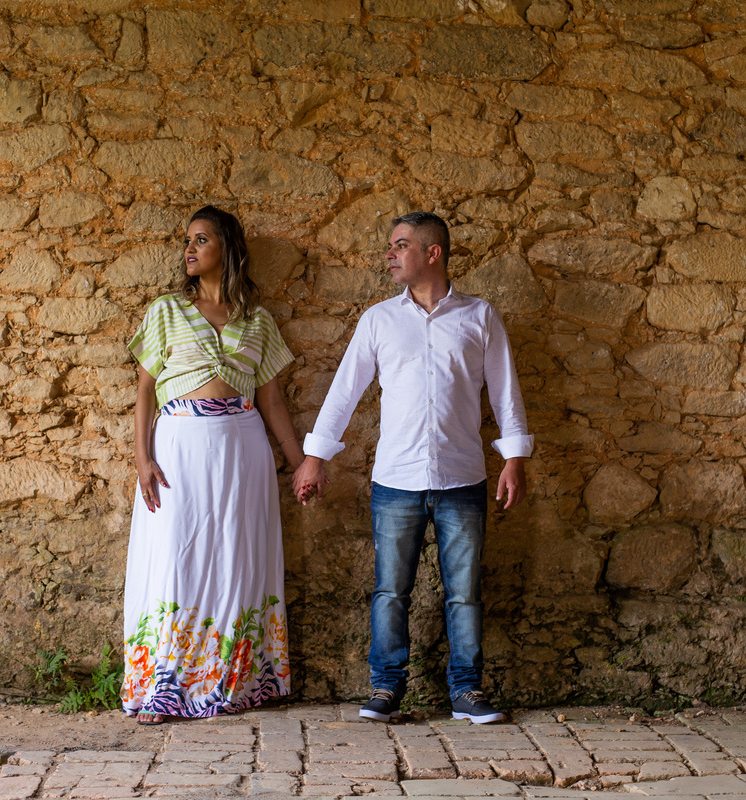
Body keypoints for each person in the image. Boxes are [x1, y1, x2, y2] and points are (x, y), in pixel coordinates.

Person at [293, 211, 533, 725]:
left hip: (463, 477)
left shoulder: (480, 317)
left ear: (433, 253)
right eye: (390, 245)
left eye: (401, 245)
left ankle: (466, 692)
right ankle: (385, 688)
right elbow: (344, 392)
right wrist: (315, 457)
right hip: (395, 480)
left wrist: (513, 459)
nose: (390, 254)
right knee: (390, 591)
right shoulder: (378, 320)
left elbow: (505, 392)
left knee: (464, 593)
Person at [120, 205, 304, 724]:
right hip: (178, 445)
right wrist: (143, 458)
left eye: (202, 239)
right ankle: (165, 684)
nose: (190, 249)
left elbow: (270, 402)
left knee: (235, 557)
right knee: (178, 555)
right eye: (187, 241)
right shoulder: (165, 312)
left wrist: (300, 464)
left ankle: (238, 679)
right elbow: (145, 389)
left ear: (228, 248)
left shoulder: (258, 321)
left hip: (243, 448)